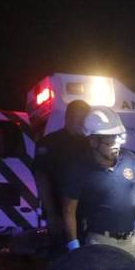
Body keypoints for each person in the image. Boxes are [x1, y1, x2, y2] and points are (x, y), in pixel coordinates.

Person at [61, 106, 135, 270]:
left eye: (119, 137)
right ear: (93, 141)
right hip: (100, 241)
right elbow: (69, 210)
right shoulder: (80, 168)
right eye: (110, 140)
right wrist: (73, 243)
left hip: (132, 241)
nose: (116, 144)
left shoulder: (129, 159)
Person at [32, 99, 90, 251]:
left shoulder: (90, 143)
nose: (84, 122)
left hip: (86, 215)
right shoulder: (51, 143)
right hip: (59, 214)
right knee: (61, 258)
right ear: (69, 117)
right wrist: (51, 213)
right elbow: (42, 178)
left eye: (86, 117)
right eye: (81, 117)